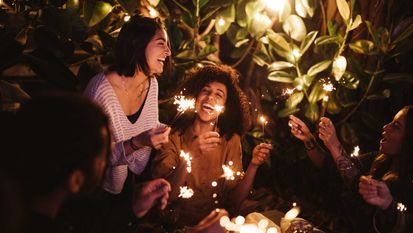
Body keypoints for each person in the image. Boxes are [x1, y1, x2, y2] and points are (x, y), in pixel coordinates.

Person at [12, 93, 170, 233]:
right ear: (76, 180)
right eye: (103, 157)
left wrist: (133, 208)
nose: (108, 162)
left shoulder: (18, 212)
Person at [152, 65, 273, 227]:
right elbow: (168, 197)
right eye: (205, 91)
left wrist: (254, 165)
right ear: (195, 95)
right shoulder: (172, 136)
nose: (210, 98)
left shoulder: (231, 140)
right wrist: (190, 154)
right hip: (177, 225)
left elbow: (235, 202)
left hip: (217, 224)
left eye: (219, 94)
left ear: (225, 106)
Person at [289, 105, 413, 232]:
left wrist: (334, 144)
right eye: (391, 122)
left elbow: (357, 185)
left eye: (396, 126)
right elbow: (334, 167)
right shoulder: (381, 158)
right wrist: (308, 139)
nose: (386, 127)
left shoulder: (408, 183)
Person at [84, 15, 172, 195]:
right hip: (94, 191)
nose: (168, 52)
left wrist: (172, 131)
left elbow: (148, 126)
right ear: (137, 44)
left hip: (131, 186)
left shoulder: (151, 84)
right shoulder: (100, 91)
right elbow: (92, 154)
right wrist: (138, 142)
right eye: (161, 43)